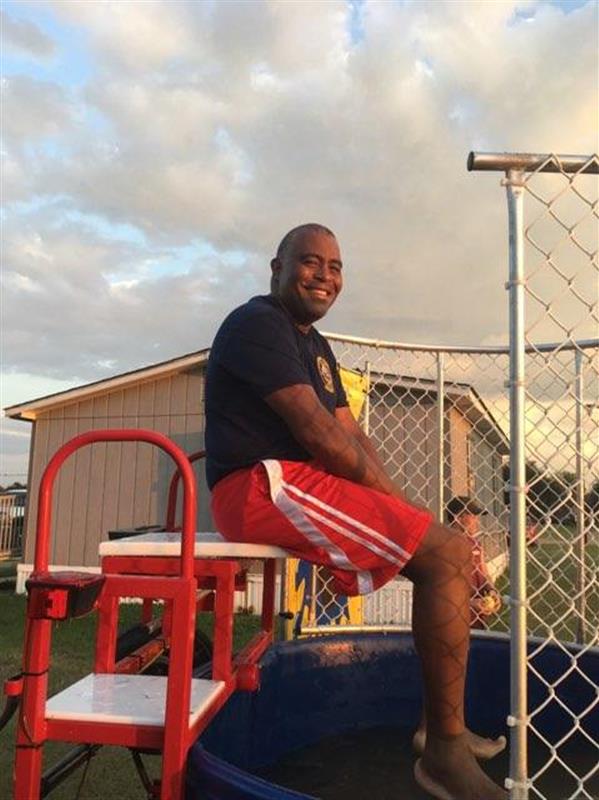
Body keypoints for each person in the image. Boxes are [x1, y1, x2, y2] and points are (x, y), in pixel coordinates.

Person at [205, 223, 507, 800]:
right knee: (443, 553)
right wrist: (415, 522)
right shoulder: (256, 323)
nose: (325, 275)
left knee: (443, 547)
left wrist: (411, 515)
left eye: (336, 266)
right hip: (257, 486)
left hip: (298, 481)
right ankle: (443, 756)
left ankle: (441, 730)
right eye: (310, 261)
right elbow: (320, 434)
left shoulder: (315, 346)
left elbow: (353, 435)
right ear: (277, 267)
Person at [446, 496, 503, 628]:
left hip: (477, 618)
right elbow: (441, 590)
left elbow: (484, 573)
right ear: (458, 518)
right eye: (472, 516)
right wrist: (470, 603)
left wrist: (492, 590)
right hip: (454, 619)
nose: (477, 521)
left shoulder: (475, 544)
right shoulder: (446, 545)